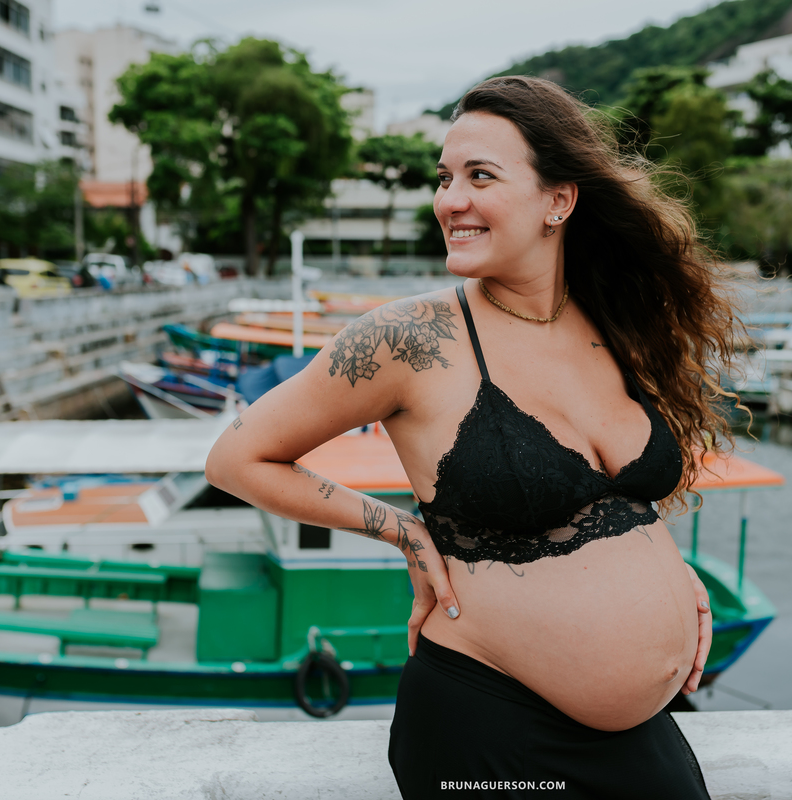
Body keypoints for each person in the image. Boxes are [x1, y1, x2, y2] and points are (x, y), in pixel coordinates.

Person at [206, 75, 744, 798]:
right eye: (444, 178)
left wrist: (670, 574)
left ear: (559, 199)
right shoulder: (410, 340)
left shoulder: (613, 320)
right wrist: (402, 531)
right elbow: (236, 458)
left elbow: (613, 500)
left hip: (637, 734)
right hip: (489, 729)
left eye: (480, 176)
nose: (449, 200)